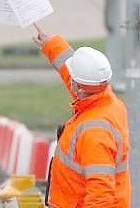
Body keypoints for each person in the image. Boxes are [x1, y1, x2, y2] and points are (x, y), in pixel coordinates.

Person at [34, 23, 131, 208]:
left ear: (79, 87)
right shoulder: (107, 102)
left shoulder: (95, 132)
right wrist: (53, 44)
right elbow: (75, 76)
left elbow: (100, 197)